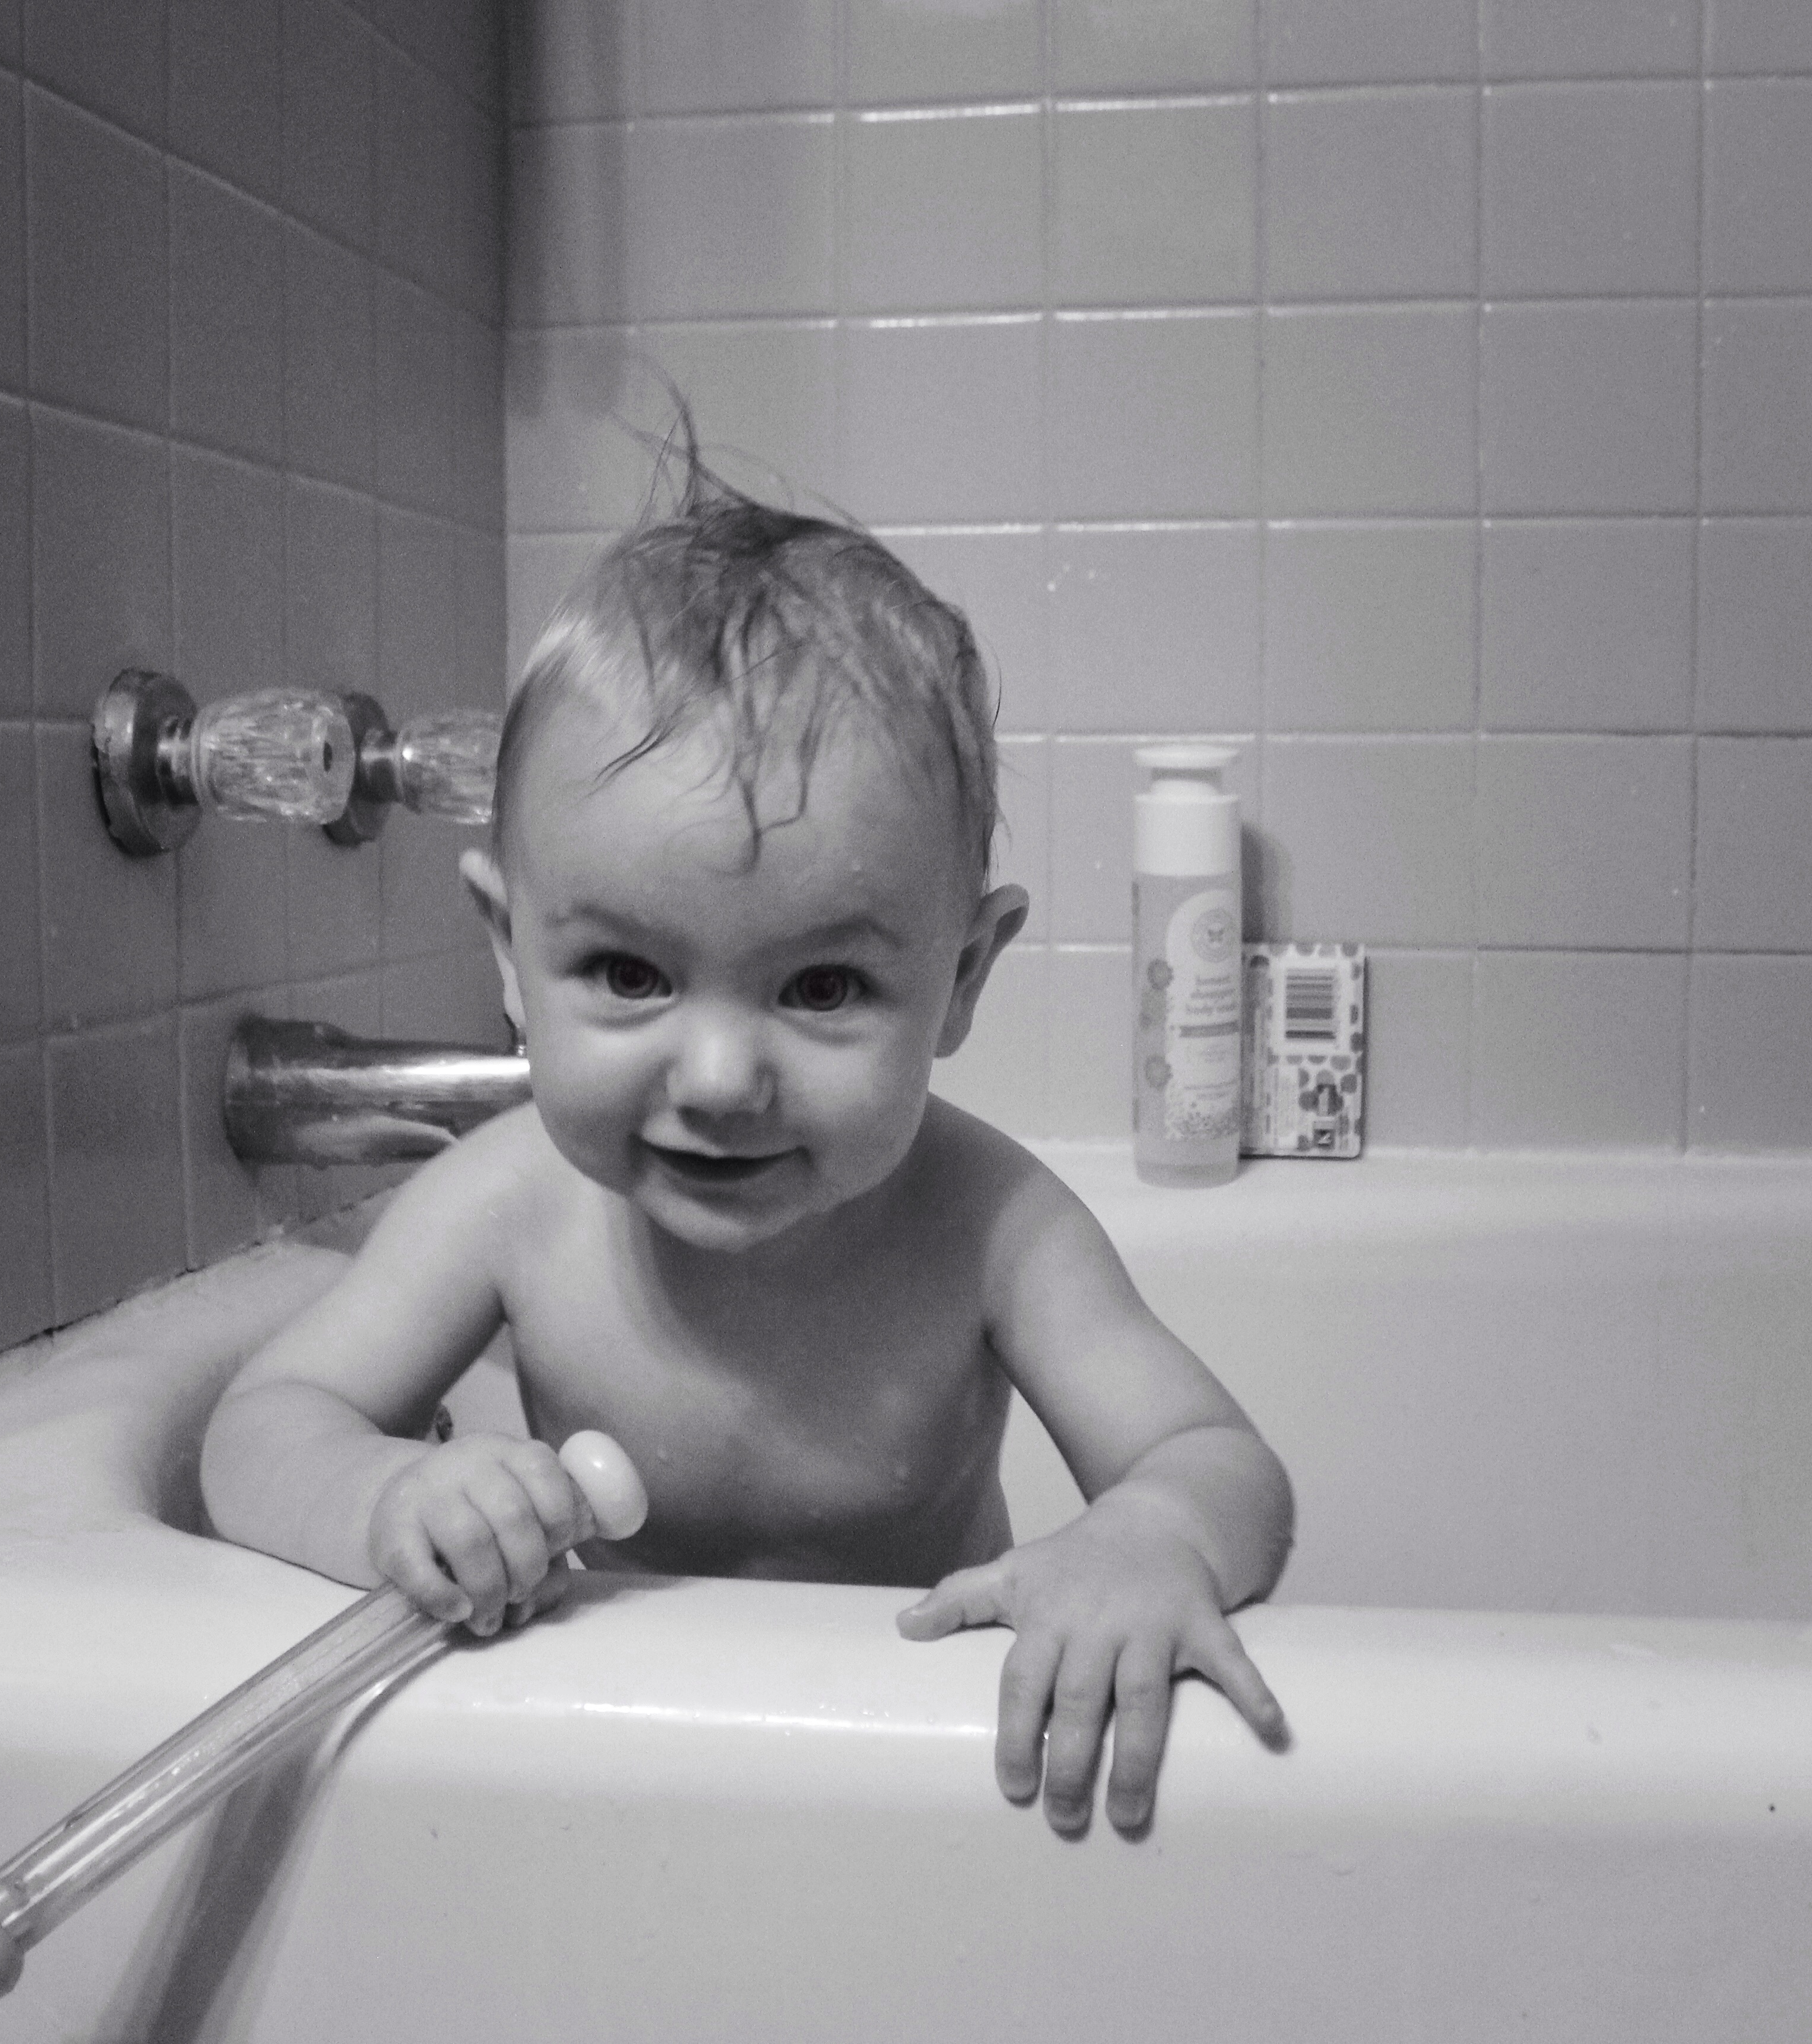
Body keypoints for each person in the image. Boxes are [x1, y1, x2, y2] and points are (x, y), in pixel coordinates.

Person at [199, 452, 1293, 1837]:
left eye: (821, 988)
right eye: (630, 975)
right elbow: (260, 1432)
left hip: (908, 1776)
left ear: (961, 979)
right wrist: (387, 1500)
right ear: (509, 953)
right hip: (613, 1761)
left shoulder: (994, 1228)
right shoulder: (503, 1205)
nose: (719, 1081)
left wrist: (1151, 1536)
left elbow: (1213, 1456)